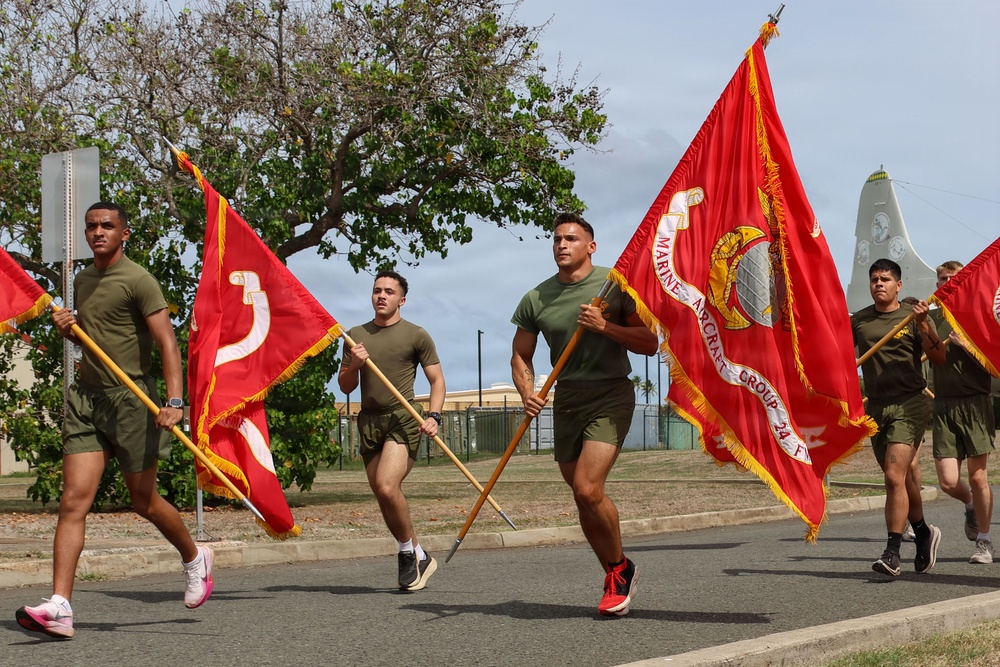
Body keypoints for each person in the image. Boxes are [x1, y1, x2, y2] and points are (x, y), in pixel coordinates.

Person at [16, 202, 213, 640]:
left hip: (133, 399)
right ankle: (61, 606)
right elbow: (93, 336)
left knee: (143, 501)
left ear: (124, 233)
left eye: (107, 226)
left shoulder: (139, 280)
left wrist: (176, 401)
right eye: (91, 226)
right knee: (73, 501)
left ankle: (194, 556)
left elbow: (168, 344)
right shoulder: (82, 281)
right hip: (87, 399)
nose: (98, 232)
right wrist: (70, 328)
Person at [510, 212, 658, 616]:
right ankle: (617, 568)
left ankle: (619, 577)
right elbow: (520, 355)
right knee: (582, 498)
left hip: (611, 393)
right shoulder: (536, 298)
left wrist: (605, 327)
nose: (562, 245)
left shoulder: (616, 284)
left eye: (572, 239)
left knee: (588, 488)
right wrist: (528, 392)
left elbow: (650, 342)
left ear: (590, 246)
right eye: (557, 239)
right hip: (567, 399)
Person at [338, 270, 444, 591]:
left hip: (403, 417)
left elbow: (437, 381)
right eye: (376, 290)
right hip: (369, 421)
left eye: (388, 291)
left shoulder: (416, 335)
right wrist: (355, 363)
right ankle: (420, 553)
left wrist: (434, 415)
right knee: (385, 498)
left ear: (402, 299)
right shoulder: (354, 335)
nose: (381, 296)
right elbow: (345, 385)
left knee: (386, 485)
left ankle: (405, 554)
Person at [852, 258, 946, 577]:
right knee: (902, 480)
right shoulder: (860, 321)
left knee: (893, 476)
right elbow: (836, 354)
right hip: (876, 406)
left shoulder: (912, 315)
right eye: (874, 279)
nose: (879, 283)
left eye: (886, 279)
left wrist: (923, 325)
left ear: (898, 286)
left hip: (911, 404)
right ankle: (923, 532)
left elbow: (939, 356)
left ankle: (892, 553)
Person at [928, 261, 996, 564]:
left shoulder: (977, 316)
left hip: (975, 403)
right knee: (947, 481)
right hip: (943, 404)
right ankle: (969, 504)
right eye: (942, 279)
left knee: (978, 476)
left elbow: (993, 362)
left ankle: (984, 541)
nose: (947, 283)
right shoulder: (931, 318)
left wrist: (968, 345)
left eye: (952, 279)